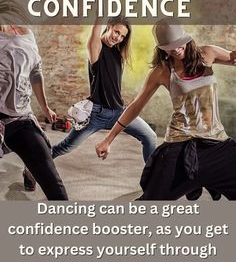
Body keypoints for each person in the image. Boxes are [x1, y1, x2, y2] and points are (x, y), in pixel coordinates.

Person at [96, 19, 236, 200]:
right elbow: (136, 106)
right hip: (180, 144)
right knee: (151, 201)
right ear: (162, 48)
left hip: (216, 142)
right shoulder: (162, 71)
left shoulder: (208, 53)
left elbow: (233, 58)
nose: (176, 50)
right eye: (170, 47)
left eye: (179, 44)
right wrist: (108, 139)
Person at [51, 17, 157, 163]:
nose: (118, 37)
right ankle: (32, 168)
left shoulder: (117, 54)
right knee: (65, 147)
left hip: (119, 113)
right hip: (96, 114)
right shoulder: (96, 47)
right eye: (116, 32)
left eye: (122, 36)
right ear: (109, 26)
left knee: (150, 136)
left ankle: (151, 180)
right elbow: (96, 32)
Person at [0, 23, 68, 200]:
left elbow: (35, 72)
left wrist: (45, 107)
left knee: (54, 184)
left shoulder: (25, 32)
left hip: (20, 119)